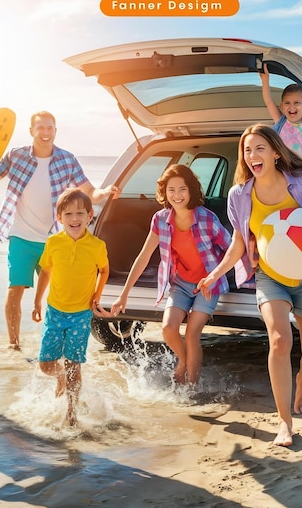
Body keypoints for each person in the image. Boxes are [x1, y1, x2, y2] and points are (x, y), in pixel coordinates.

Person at [197, 124, 302, 447]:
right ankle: (284, 422)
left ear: (276, 152)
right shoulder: (240, 194)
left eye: (259, 148)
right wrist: (216, 273)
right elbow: (239, 242)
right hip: (269, 277)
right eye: (247, 150)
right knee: (279, 340)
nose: (252, 156)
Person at [94, 164, 231, 386]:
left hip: (209, 285)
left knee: (193, 333)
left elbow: (231, 249)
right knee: (168, 328)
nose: (177, 195)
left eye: (182, 189)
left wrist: (216, 275)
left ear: (192, 190)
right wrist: (124, 295)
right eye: (171, 190)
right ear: (164, 192)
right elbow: (144, 256)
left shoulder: (206, 218)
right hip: (181, 283)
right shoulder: (160, 219)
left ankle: (192, 388)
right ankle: (183, 362)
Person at [0, 110, 120, 350]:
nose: (45, 132)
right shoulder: (16, 156)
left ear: (55, 131)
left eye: (50, 128)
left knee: (62, 293)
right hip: (21, 236)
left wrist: (104, 193)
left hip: (54, 239)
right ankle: (14, 345)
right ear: (31, 131)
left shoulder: (67, 159)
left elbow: (90, 192)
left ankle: (54, 343)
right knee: (15, 289)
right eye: (40, 127)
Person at [32, 188, 109, 426]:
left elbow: (104, 270)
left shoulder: (97, 245)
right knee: (46, 364)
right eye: (68, 214)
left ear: (90, 215)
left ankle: (72, 412)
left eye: (80, 213)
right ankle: (60, 377)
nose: (74, 219)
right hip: (55, 310)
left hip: (80, 313)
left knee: (73, 364)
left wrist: (97, 296)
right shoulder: (54, 242)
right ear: (59, 218)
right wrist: (37, 300)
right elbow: (46, 271)